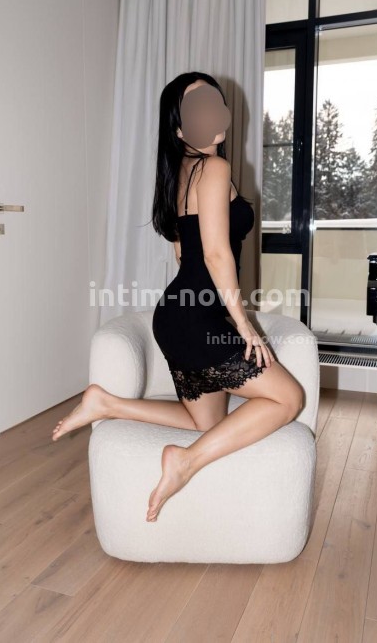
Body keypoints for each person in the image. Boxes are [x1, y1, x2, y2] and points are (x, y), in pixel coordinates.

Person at [51, 71, 304, 523]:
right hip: (194, 319)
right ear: (180, 128)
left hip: (179, 315)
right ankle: (184, 462)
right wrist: (243, 325)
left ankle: (107, 403)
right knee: (288, 399)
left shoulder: (180, 174)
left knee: (207, 424)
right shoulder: (214, 169)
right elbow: (214, 254)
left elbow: (183, 253)